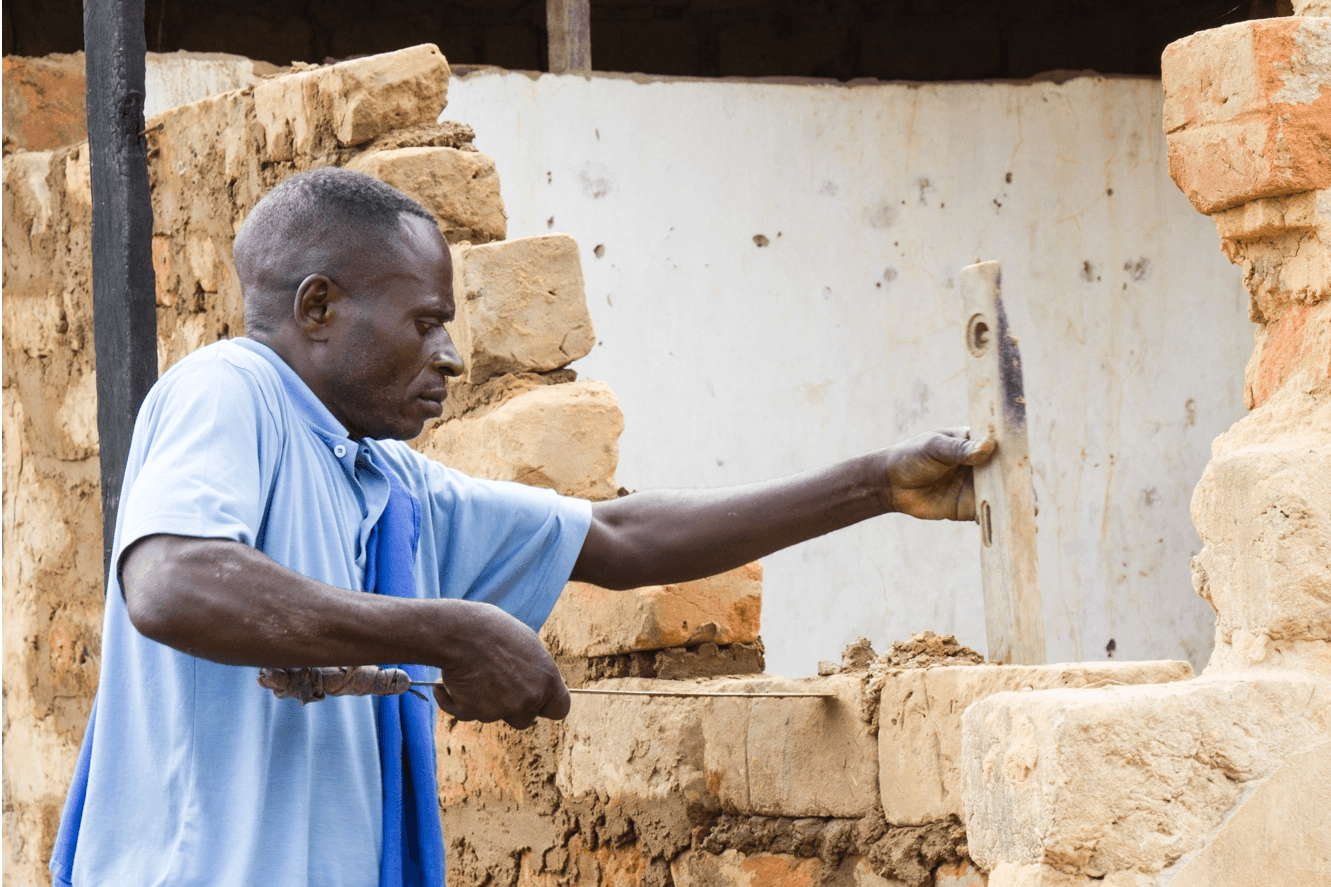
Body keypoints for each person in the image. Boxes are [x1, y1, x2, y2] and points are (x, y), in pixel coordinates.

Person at [50, 167, 994, 887]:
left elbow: (620, 540)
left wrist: (874, 485)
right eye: (424, 321)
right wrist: (445, 630)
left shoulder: (385, 483)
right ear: (318, 307)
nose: (450, 355)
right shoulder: (230, 389)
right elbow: (171, 582)